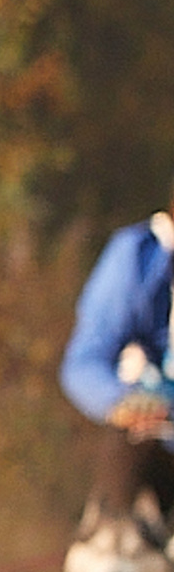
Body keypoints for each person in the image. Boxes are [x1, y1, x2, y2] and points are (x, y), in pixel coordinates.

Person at [59, 193, 174, 513]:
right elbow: (85, 363)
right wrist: (122, 402)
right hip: (152, 441)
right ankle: (113, 534)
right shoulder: (138, 258)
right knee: (128, 458)